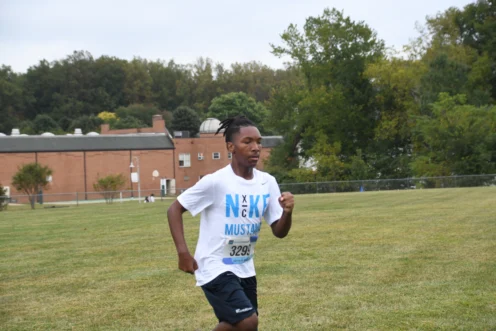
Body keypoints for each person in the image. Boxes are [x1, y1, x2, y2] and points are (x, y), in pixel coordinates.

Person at [167, 115, 294, 331]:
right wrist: (183, 253)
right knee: (248, 321)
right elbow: (174, 209)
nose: (256, 147)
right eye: (248, 142)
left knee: (237, 325)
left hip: (245, 267)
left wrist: (287, 213)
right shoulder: (216, 181)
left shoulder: (267, 182)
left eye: (259, 142)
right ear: (230, 147)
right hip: (214, 265)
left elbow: (279, 232)